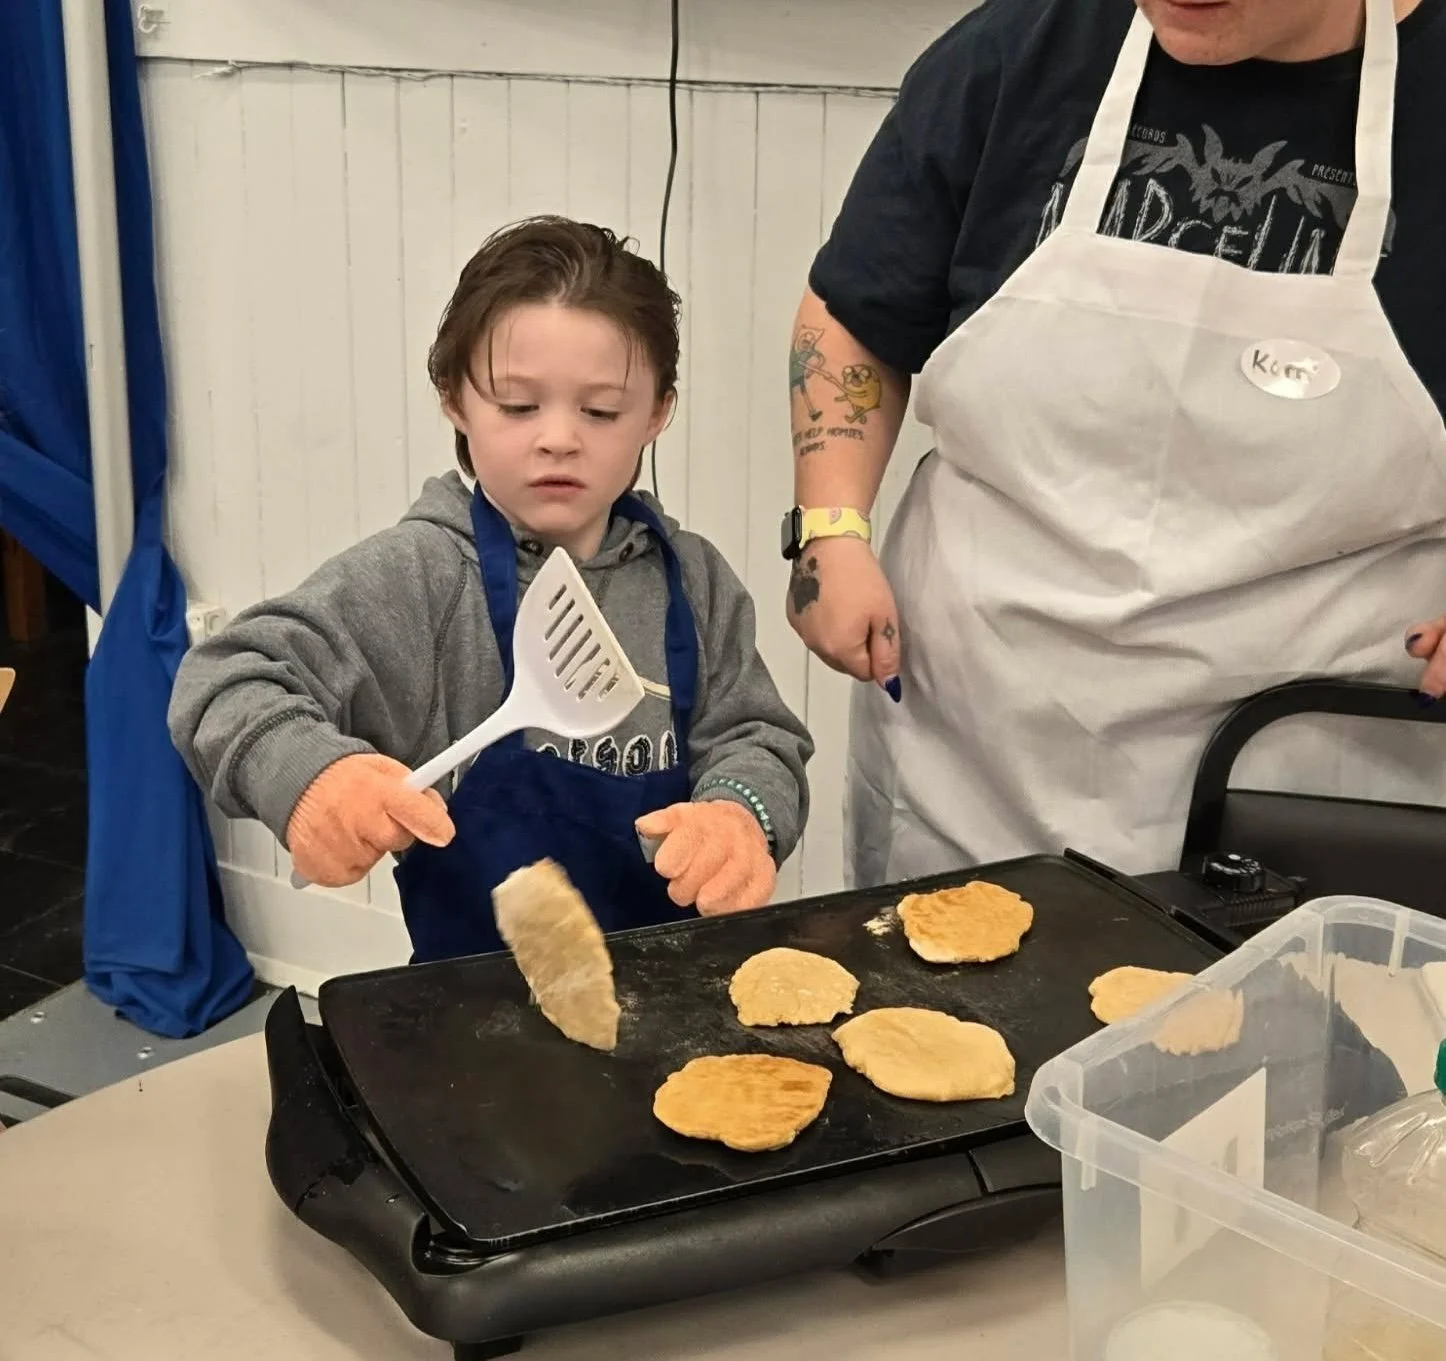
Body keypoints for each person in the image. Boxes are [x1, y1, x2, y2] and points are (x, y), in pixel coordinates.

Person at [783, 0, 1446, 886]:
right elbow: (855, 314)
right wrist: (831, 526)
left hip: (1304, 791)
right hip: (975, 763)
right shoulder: (1018, 53)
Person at [170, 216, 812, 962]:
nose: (559, 438)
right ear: (454, 398)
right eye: (517, 405)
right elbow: (226, 680)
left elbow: (758, 737)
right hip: (467, 1021)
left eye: (601, 410)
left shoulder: (693, 580)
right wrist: (313, 776)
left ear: (657, 413)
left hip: (673, 1002)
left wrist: (741, 814)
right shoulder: (424, 577)